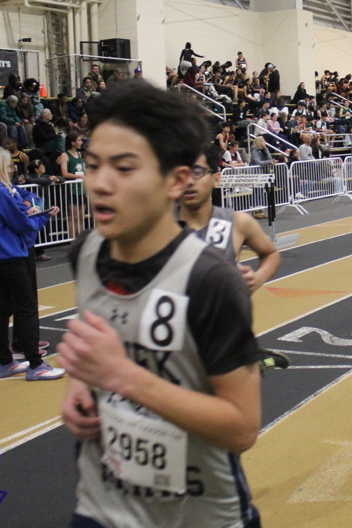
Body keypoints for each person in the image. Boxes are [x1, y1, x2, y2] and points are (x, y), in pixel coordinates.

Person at [56, 83, 261, 527]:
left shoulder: (210, 280)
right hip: (100, 507)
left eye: (124, 168)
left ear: (177, 181)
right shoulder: (87, 252)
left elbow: (242, 427)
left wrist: (121, 376)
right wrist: (80, 384)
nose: (100, 183)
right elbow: (101, 343)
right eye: (92, 165)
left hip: (197, 515)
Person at [180, 147, 288, 370]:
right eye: (180, 174)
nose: (188, 181)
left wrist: (257, 278)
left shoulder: (238, 223)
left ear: (216, 178)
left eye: (197, 172)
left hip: (223, 340)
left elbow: (270, 254)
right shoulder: (153, 227)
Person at [0, 147, 63, 379]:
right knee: (26, 306)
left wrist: (30, 211)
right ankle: (35, 364)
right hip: (10, 254)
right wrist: (43, 216)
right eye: (8, 165)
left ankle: (5, 361)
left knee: (2, 309)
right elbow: (21, 224)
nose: (12, 169)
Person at [57, 132, 86, 238]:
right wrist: (80, 177)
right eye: (79, 140)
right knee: (74, 217)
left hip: (81, 189)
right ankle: (72, 239)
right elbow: (64, 173)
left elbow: (83, 170)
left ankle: (81, 239)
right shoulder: (65, 155)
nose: (81, 142)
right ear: (73, 142)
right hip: (72, 189)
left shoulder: (79, 154)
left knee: (81, 217)